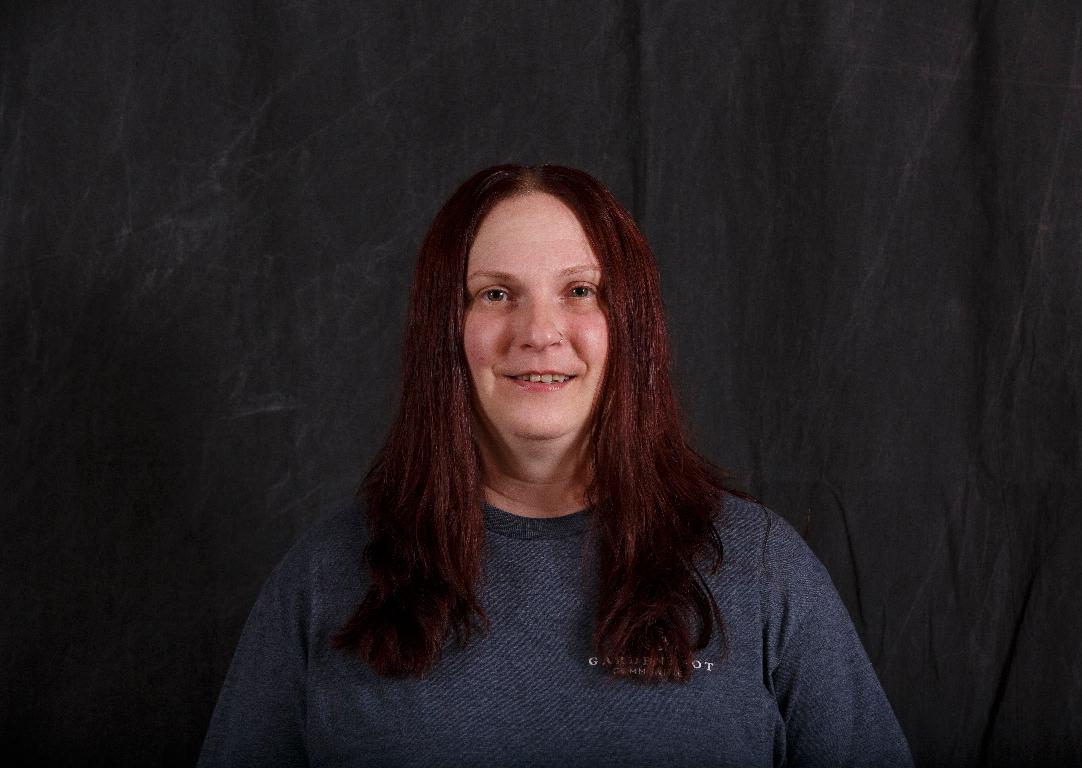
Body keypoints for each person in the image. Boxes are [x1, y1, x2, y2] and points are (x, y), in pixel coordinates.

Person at [197, 164, 914, 767]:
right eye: (496, 294)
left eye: (579, 291)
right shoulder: (327, 578)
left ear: (631, 328)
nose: (539, 332)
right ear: (444, 332)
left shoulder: (759, 569)